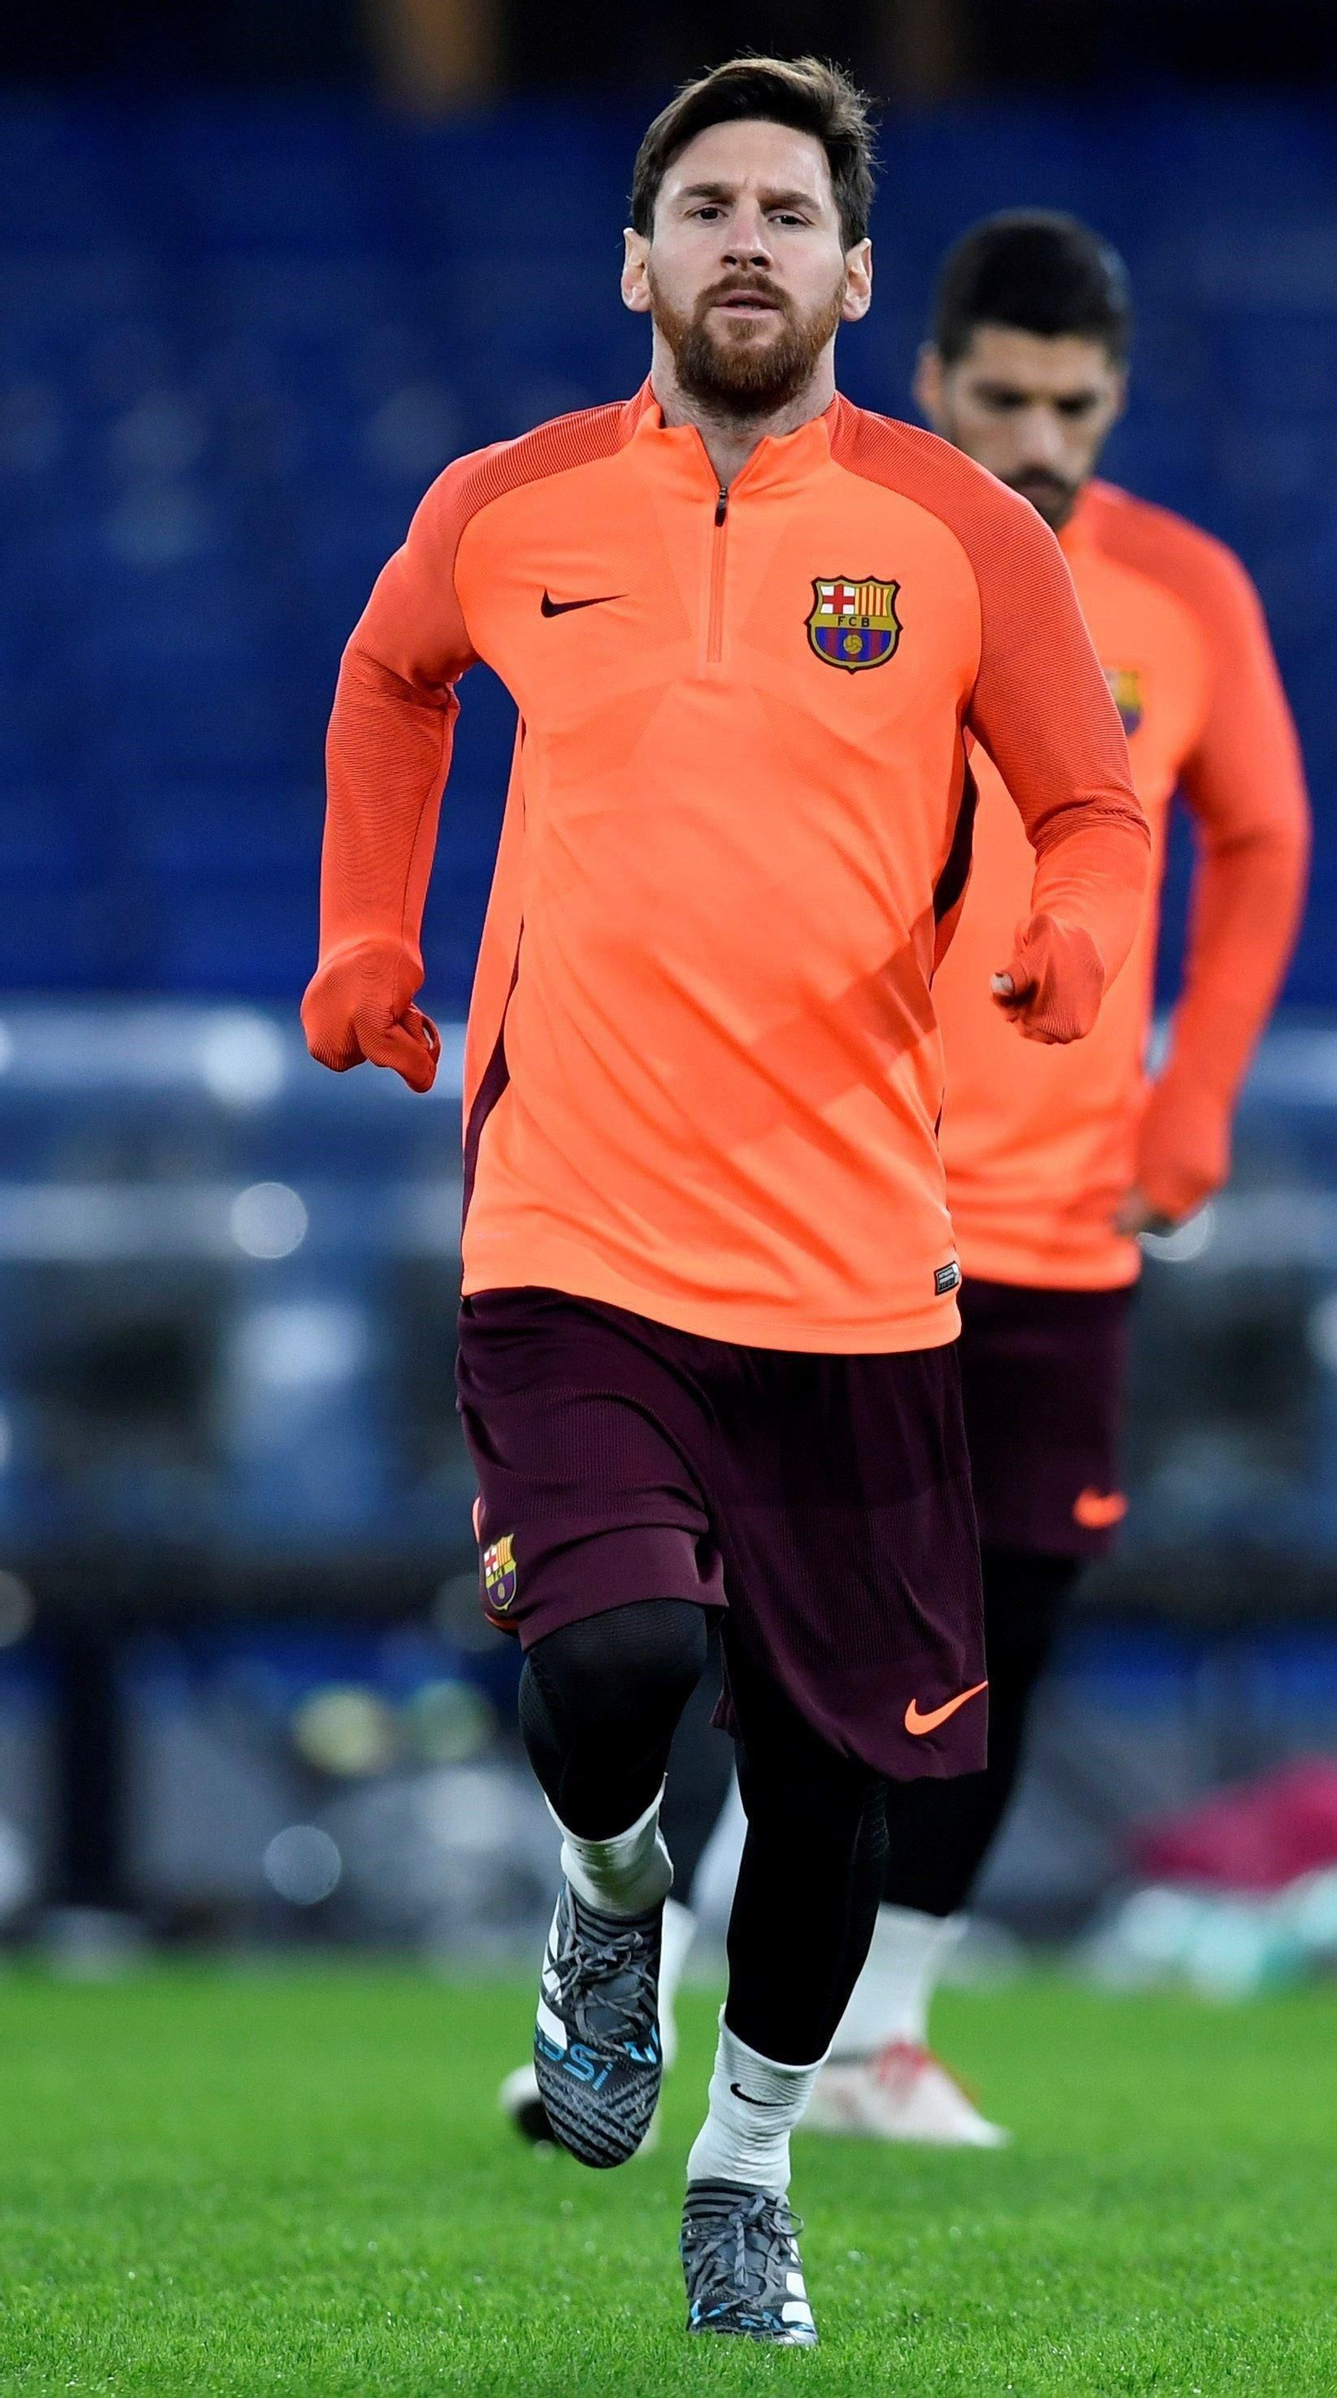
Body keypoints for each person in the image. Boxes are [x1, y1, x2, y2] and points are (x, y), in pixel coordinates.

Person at [302, 62, 1149, 2344]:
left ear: (858, 274)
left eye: (789, 208)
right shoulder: (505, 504)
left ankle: (748, 2159)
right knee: (609, 1656)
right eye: (705, 205)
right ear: (637, 260)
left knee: (837, 1779)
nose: (746, 238)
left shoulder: (970, 534)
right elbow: (391, 686)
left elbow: (1090, 801)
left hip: (858, 1256)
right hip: (569, 1218)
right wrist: (366, 932)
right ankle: (601, 1893)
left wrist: (1071, 928)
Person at [804, 210, 1310, 2143]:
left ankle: (882, 2035)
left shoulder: (1181, 593)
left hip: (1061, 1220)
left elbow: (1259, 840)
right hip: (830, 1194)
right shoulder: (830, 555)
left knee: (1007, 1623)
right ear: (927, 378)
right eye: (999, 395)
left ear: (1113, 398)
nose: (1036, 435)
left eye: (1071, 404)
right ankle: (638, 1997)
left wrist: (1195, 1102)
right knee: (764, 1616)